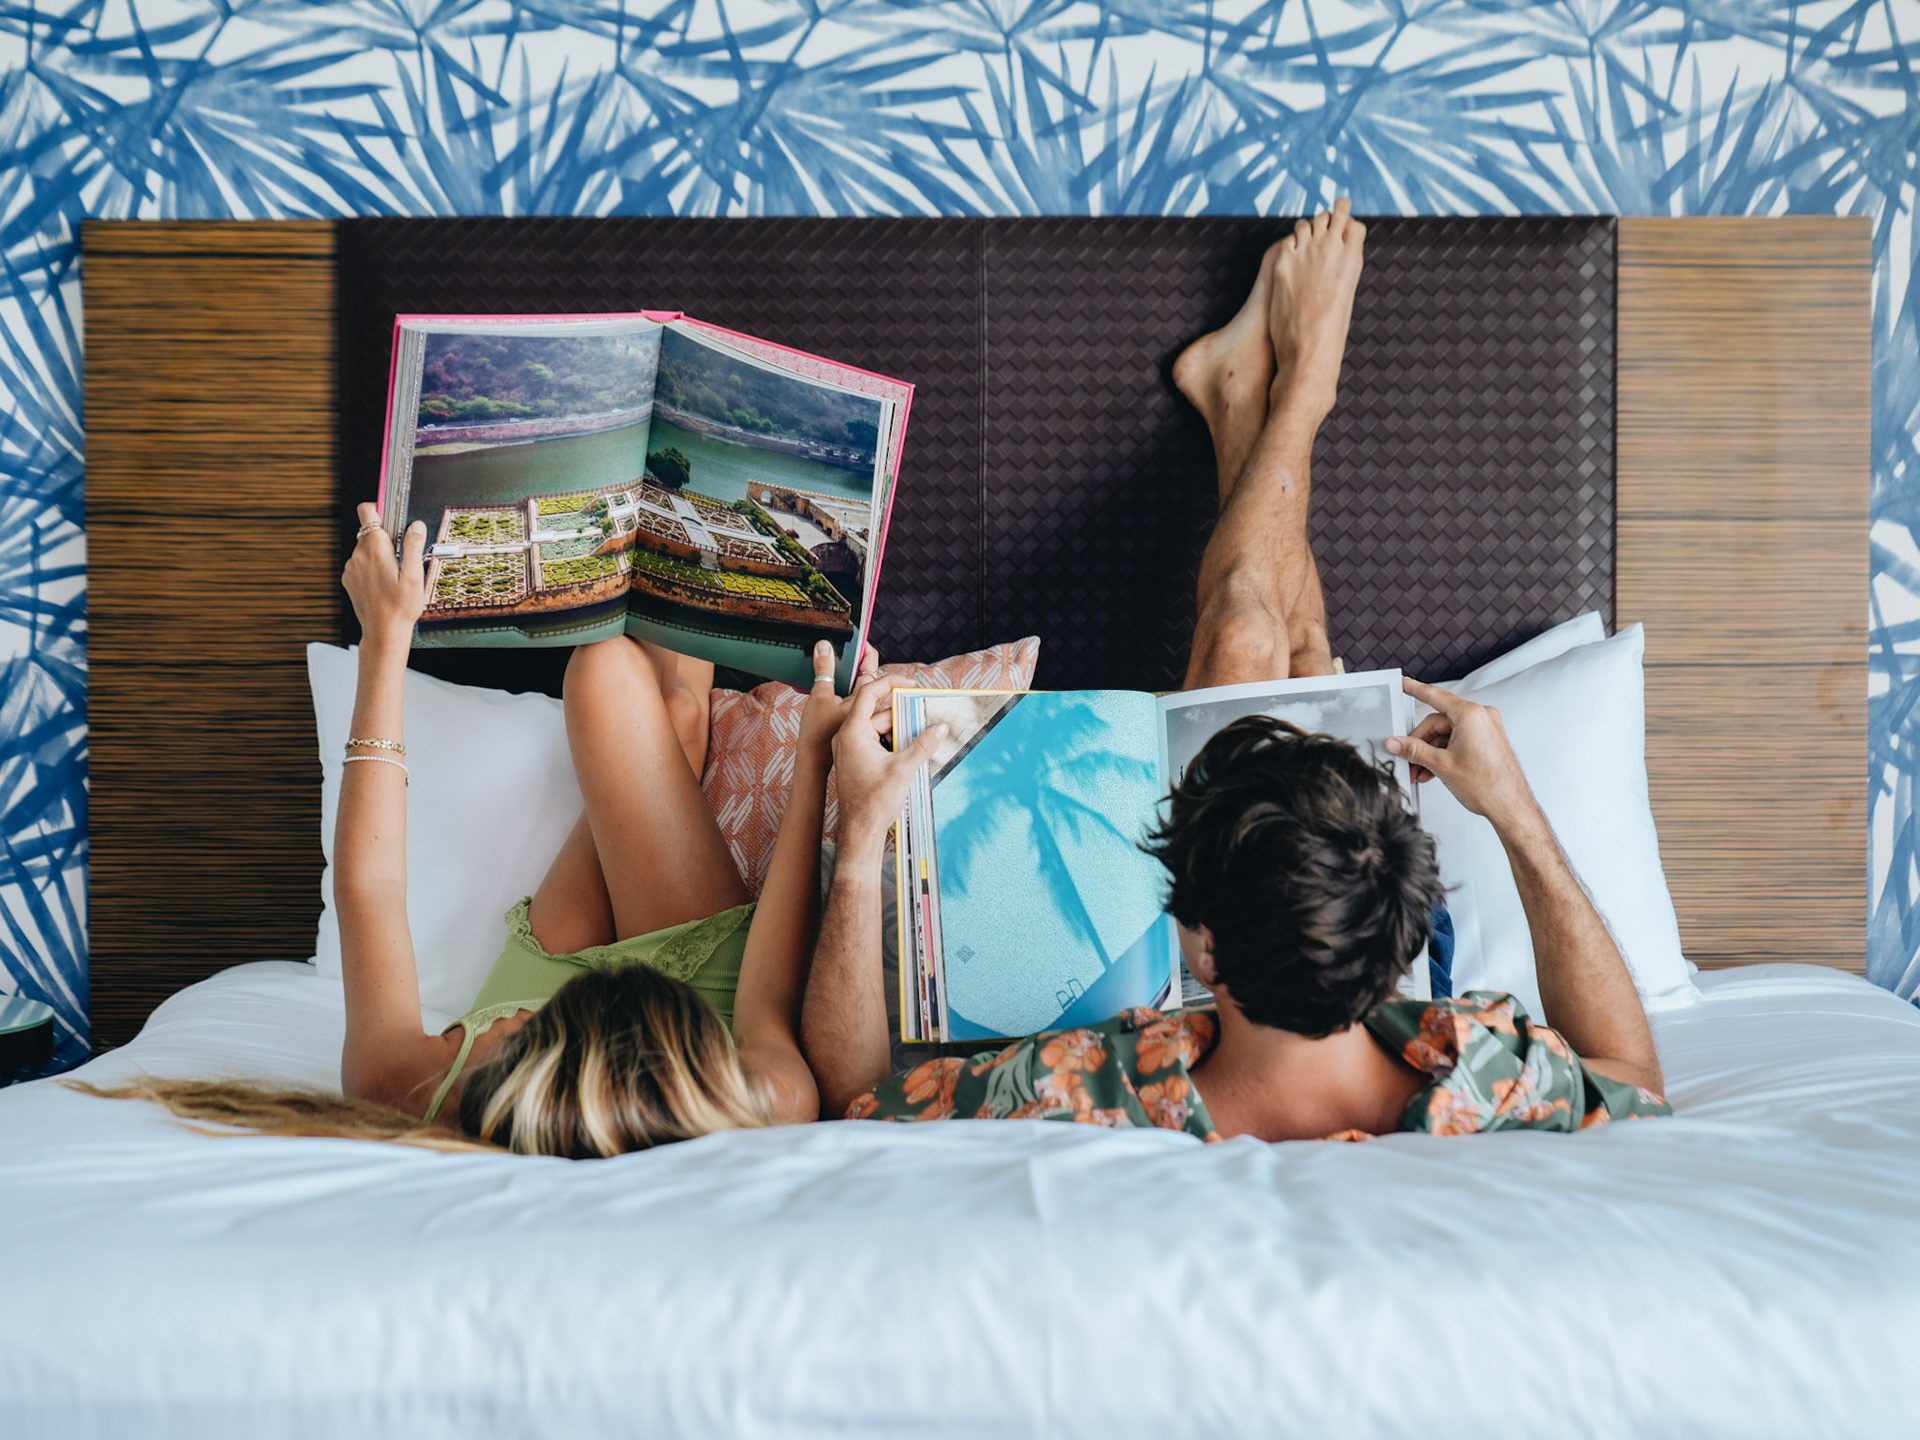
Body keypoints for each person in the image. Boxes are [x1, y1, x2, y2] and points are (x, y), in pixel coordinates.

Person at [802, 200, 1671, 1142]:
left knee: (1257, 645)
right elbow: (1635, 1078)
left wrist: (863, 838)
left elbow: (856, 1098)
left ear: (1204, 949)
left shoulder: (1090, 1092)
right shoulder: (1480, 1076)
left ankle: (1280, 401)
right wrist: (1519, 816)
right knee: (1297, 655)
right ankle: (1264, 404)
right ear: (1403, 933)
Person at [90, 502, 870, 1156]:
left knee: (609, 672)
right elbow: (766, 998)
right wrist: (815, 761)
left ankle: (671, 636)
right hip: (695, 995)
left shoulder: (412, 1085)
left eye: (506, 1035)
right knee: (665, 706)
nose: (508, 1021)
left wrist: (385, 643)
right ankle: (681, 560)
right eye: (517, 1031)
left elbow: (372, 884)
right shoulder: (764, 1094)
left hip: (587, 995)